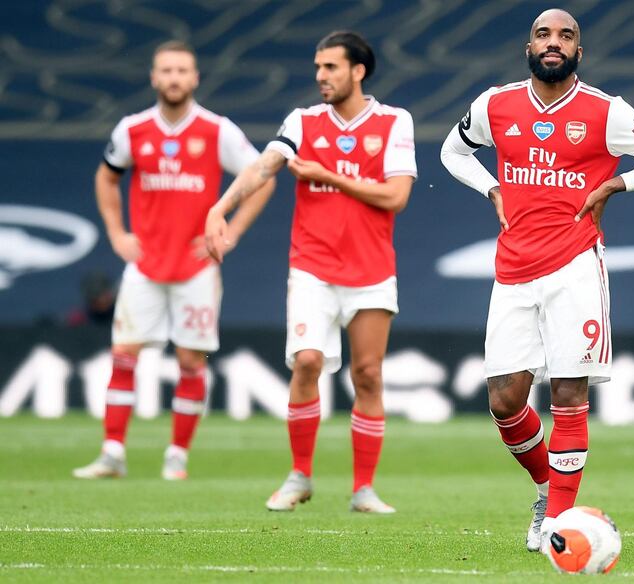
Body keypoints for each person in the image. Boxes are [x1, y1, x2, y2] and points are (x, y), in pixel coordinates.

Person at [440, 8, 634, 552]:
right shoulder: (495, 105)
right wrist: (490, 188)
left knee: (569, 392)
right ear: (528, 47)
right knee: (505, 400)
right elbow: (452, 151)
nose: (554, 43)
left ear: (580, 51)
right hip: (512, 268)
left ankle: (558, 521)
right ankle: (547, 488)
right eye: (543, 35)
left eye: (566, 36)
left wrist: (615, 185)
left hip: (576, 265)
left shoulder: (606, 112)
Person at [205, 31, 416, 513]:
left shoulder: (393, 121)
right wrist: (221, 206)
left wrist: (328, 176)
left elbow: (396, 196)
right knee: (306, 362)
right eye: (318, 67)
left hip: (371, 269)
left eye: (331, 67)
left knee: (367, 374)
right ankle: (300, 475)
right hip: (312, 267)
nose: (321, 76)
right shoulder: (302, 122)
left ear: (358, 71)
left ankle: (363, 489)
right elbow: (265, 166)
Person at [73, 40, 273, 481]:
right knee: (124, 353)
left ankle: (177, 456)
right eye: (166, 70)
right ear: (154, 77)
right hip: (145, 265)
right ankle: (112, 453)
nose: (174, 78)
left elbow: (262, 175)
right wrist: (115, 232)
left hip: (196, 267)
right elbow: (107, 178)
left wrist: (232, 231)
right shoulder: (132, 129)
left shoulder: (216, 130)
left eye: (182, 70)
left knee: (190, 361)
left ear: (195, 78)